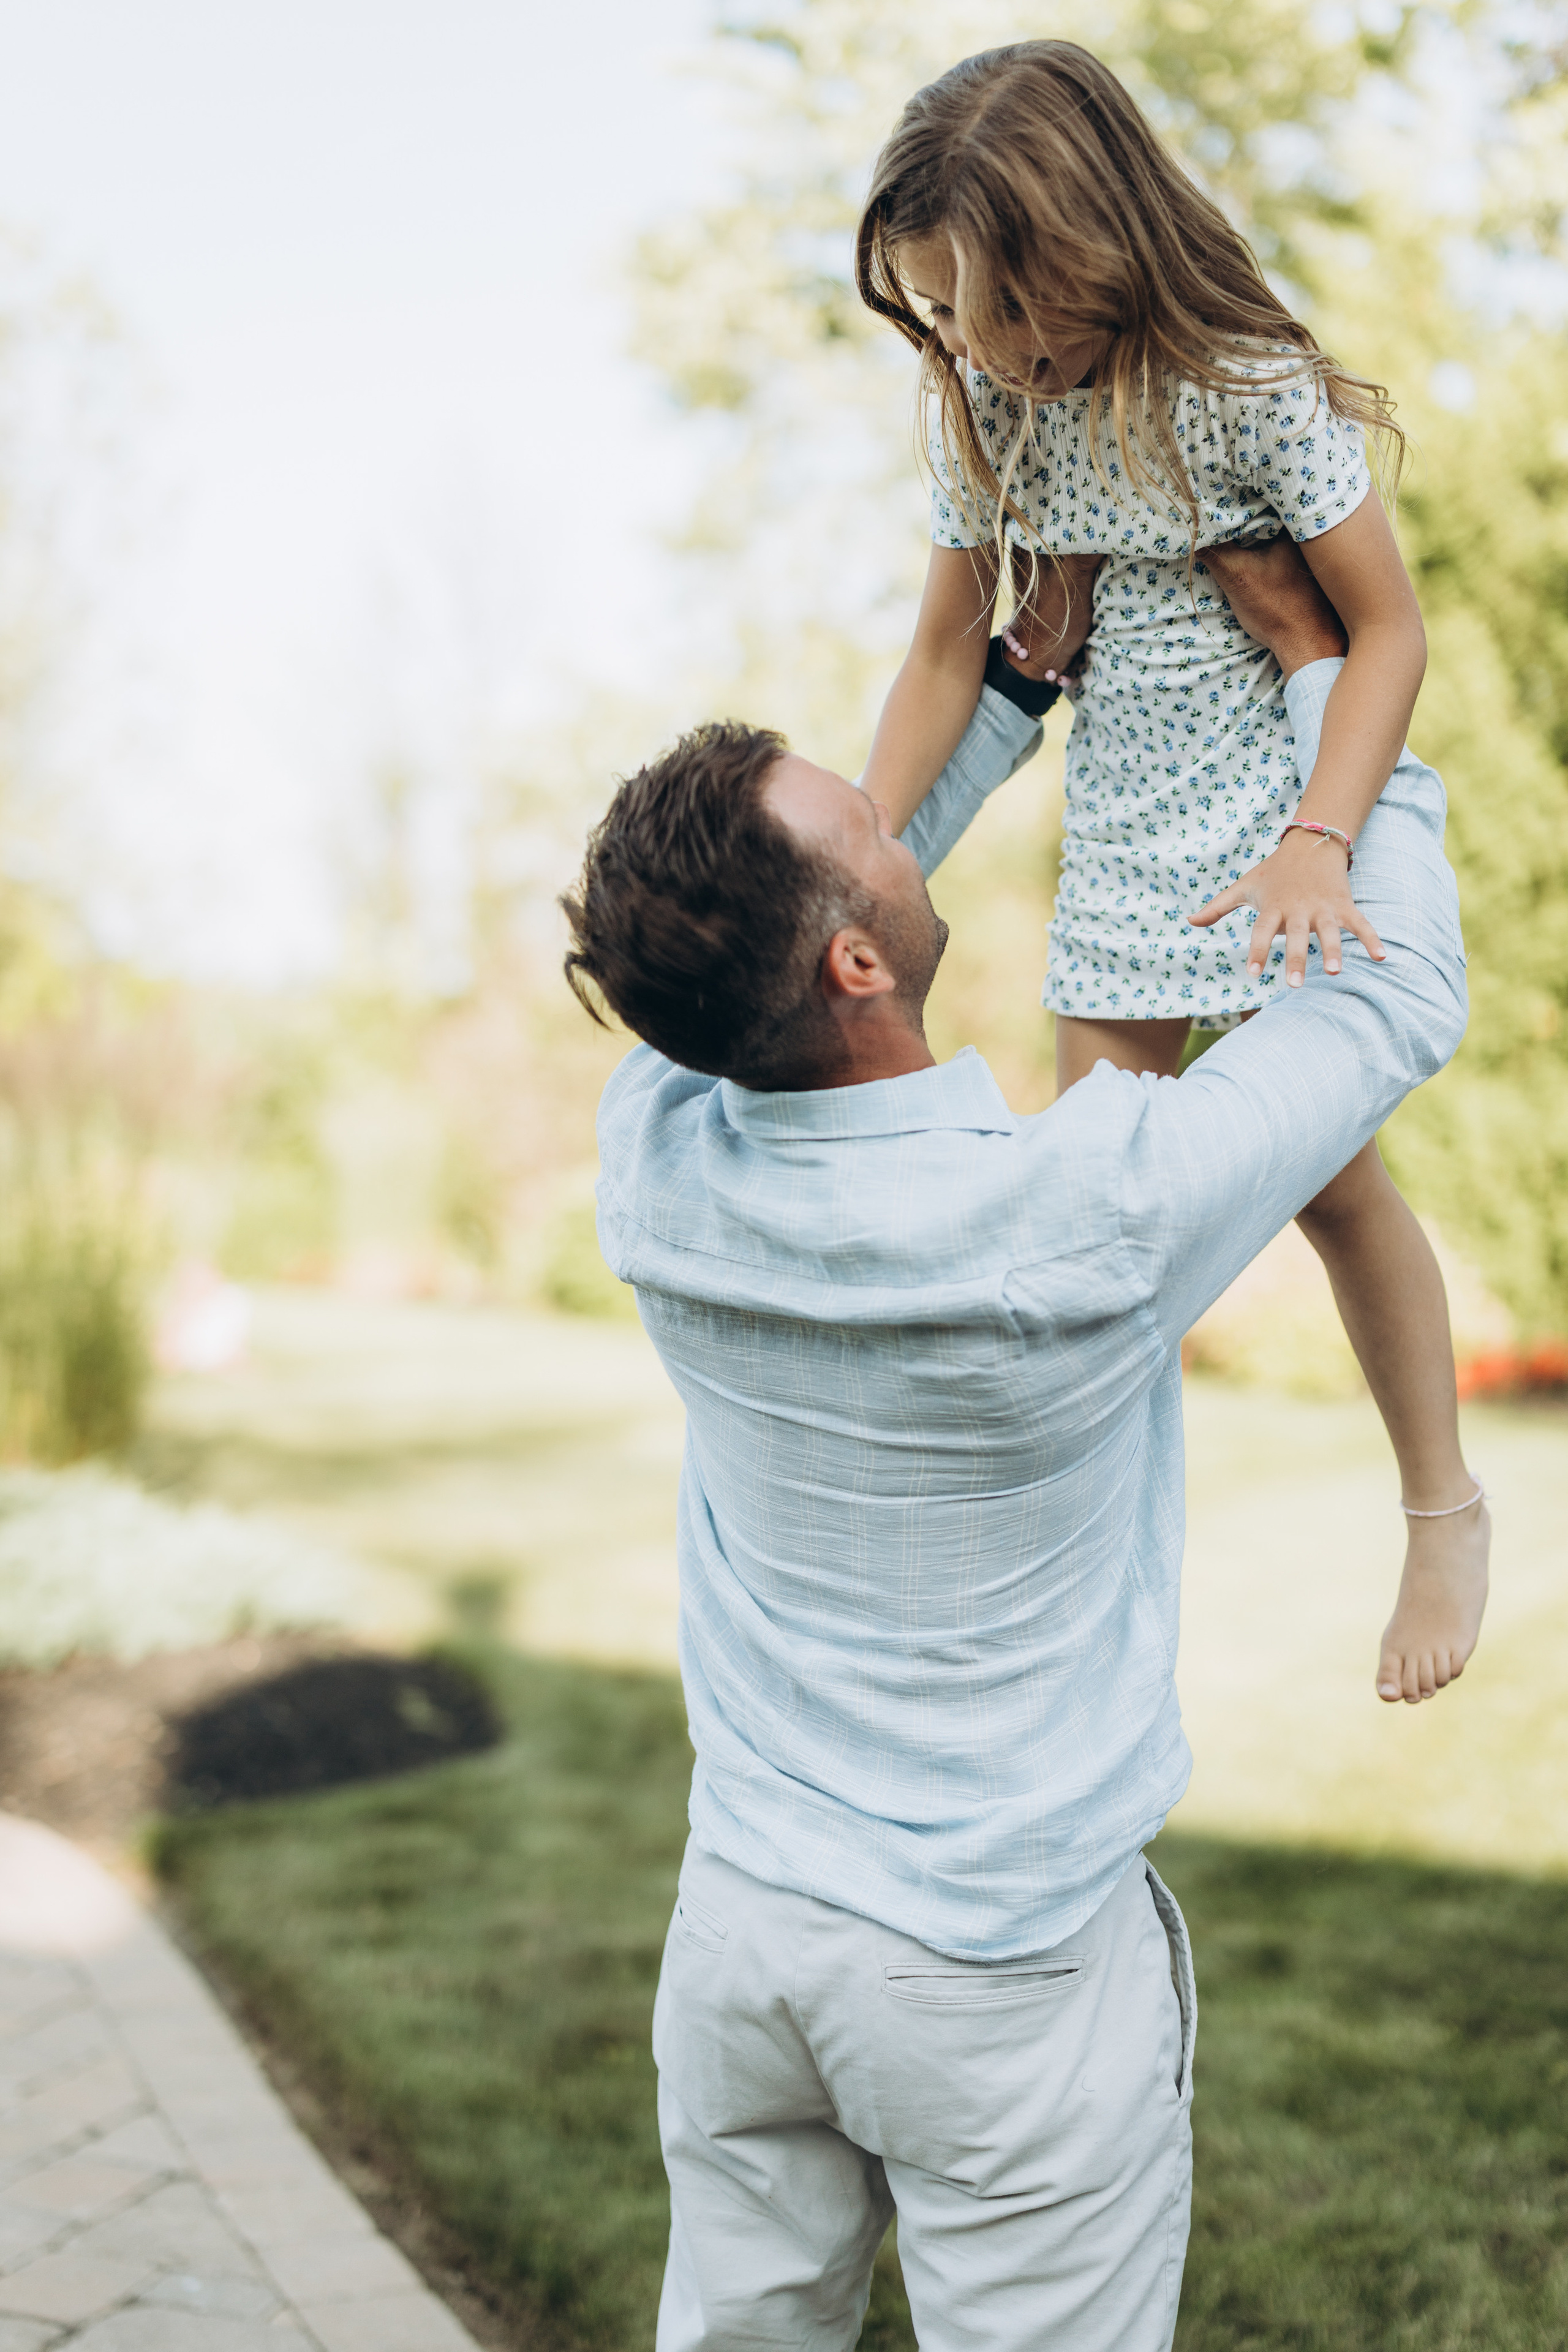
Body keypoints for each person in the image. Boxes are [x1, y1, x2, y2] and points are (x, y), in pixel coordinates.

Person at [560, 541, 1469, 2350]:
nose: (907, 822)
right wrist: (1324, 686)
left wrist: (1014, 703)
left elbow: (800, 928)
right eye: (879, 824)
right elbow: (1388, 1005)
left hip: (746, 1941)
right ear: (855, 954)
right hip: (1003, 1986)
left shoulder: (651, 1161)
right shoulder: (1085, 1218)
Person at [852, 39, 1488, 1708]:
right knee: (1093, 1228)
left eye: (984, 309)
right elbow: (943, 656)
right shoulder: (991, 412)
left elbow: (1390, 631)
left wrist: (1319, 841)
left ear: (1080, 237)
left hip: (1291, 818)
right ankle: (1074, 1598)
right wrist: (856, 855)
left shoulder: (1248, 385)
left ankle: (1443, 1503)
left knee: (1333, 1189)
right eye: (931, 317)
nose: (967, 350)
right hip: (1128, 850)